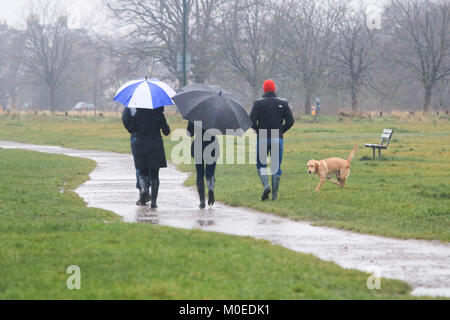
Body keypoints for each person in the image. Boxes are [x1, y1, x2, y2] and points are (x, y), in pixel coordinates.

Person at [250, 79, 294, 201]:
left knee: (261, 164)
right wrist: (281, 131)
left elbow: (251, 121)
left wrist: (258, 130)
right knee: (276, 166)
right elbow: (290, 121)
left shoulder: (258, 103)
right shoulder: (283, 103)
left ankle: (266, 186)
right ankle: (274, 197)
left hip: (263, 136)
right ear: (274, 89)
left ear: (264, 89)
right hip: (277, 137)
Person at [133, 107, 170, 208]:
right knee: (155, 175)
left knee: (142, 172)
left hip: (141, 146)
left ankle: (144, 189)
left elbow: (131, 128)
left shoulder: (138, 114)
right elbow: (166, 131)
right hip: (155, 146)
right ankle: (154, 202)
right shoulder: (159, 114)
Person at [187, 121, 219, 208]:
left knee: (200, 173)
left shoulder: (194, 116)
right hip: (212, 144)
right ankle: (211, 188)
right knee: (210, 172)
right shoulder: (216, 114)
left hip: (198, 144)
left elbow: (190, 133)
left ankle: (202, 200)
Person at [121, 107, 144, 193]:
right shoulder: (152, 105)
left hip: (136, 137)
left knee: (139, 165)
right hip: (150, 138)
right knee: (149, 165)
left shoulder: (130, 106)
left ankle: (141, 188)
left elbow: (125, 118)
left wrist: (131, 128)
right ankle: (146, 188)